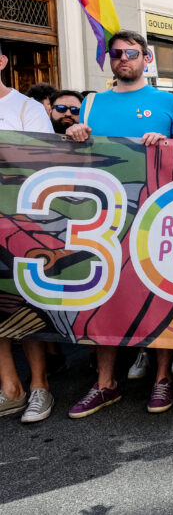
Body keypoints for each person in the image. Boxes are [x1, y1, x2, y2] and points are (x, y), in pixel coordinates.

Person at [65, 30, 173, 418]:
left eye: (130, 53)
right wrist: (73, 134)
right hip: (105, 215)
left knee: (160, 290)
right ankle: (105, 383)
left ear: (146, 58)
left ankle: (162, 377)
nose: (122, 59)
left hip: (157, 213)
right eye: (115, 53)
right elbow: (76, 156)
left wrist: (167, 143)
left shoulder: (167, 102)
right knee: (104, 295)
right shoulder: (91, 103)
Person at [0, 47, 55, 423]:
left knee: (22, 302)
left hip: (16, 218)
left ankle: (40, 386)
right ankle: (10, 387)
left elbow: (43, 160)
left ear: (2, 61)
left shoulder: (27, 108)